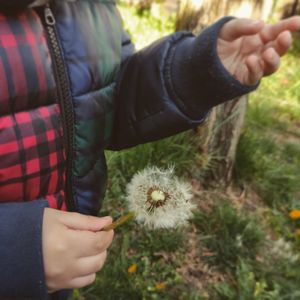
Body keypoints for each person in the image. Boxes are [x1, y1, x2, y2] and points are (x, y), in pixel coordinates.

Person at [0, 0, 299, 298]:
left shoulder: (92, 7)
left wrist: (197, 71)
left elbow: (105, 102)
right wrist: (15, 252)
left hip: (58, 270)